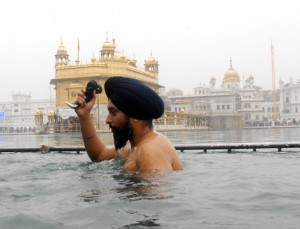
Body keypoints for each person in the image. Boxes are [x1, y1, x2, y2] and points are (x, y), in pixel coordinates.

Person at [74, 76, 183, 171]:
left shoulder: (149, 151)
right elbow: (99, 155)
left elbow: (155, 194)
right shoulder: (131, 147)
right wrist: (84, 116)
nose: (107, 119)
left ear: (135, 116)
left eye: (113, 112)